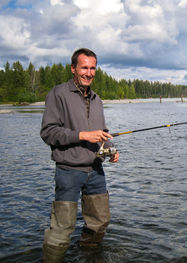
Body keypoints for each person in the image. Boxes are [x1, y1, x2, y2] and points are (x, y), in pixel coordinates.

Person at [40, 48, 119, 262]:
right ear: (73, 68)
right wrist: (83, 135)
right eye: (84, 67)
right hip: (68, 171)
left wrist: (111, 148)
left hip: (95, 171)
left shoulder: (97, 99)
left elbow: (102, 132)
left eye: (93, 68)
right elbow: (48, 132)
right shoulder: (58, 94)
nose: (89, 72)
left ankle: (88, 256)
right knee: (62, 229)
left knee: (100, 222)